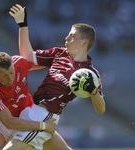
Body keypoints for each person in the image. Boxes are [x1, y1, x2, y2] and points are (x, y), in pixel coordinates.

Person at [8, 4, 106, 150]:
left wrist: (94, 92)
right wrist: (23, 24)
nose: (66, 38)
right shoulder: (58, 53)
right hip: (31, 110)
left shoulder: (90, 73)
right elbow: (27, 57)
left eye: (72, 36)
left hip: (44, 115)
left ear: (83, 42)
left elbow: (101, 109)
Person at [0, 52, 57, 150]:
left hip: (28, 116)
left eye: (11, 72)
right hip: (1, 123)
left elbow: (43, 61)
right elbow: (8, 121)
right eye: (4, 75)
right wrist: (43, 126)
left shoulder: (19, 62)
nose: (10, 78)